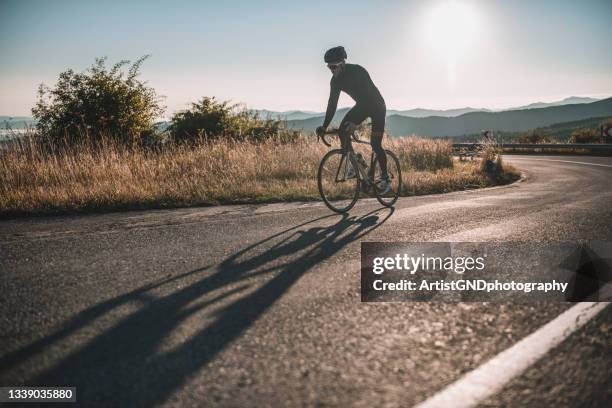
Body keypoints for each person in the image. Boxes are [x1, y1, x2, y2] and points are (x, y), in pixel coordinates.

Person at [315, 46, 390, 194]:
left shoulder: (358, 71)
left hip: (377, 106)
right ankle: (356, 162)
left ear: (343, 63)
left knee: (376, 144)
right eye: (329, 67)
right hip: (362, 105)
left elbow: (369, 99)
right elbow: (332, 105)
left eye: (334, 66)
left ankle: (385, 176)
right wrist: (324, 126)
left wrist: (356, 123)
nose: (331, 70)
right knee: (343, 130)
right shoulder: (335, 81)